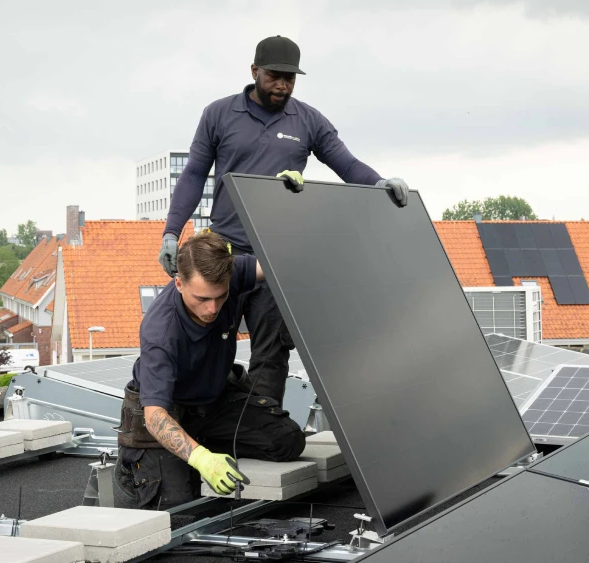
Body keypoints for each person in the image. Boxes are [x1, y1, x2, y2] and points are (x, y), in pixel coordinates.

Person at [158, 35, 410, 406]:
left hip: (275, 256)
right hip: (223, 252)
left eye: (290, 78)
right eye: (275, 76)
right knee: (209, 339)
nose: (283, 85)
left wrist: (379, 183)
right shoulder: (219, 114)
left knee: (271, 351)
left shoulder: (307, 120)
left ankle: (263, 424)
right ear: (254, 71)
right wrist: (171, 233)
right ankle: (205, 421)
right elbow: (194, 173)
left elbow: (346, 163)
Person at [114, 231, 306, 509]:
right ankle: (149, 461)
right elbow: (156, 416)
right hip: (167, 410)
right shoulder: (160, 331)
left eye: (221, 296)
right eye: (202, 298)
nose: (212, 308)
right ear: (179, 283)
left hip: (213, 400)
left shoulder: (227, 272)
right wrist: (202, 459)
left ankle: (198, 445)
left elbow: (281, 264)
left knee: (287, 441)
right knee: (179, 509)